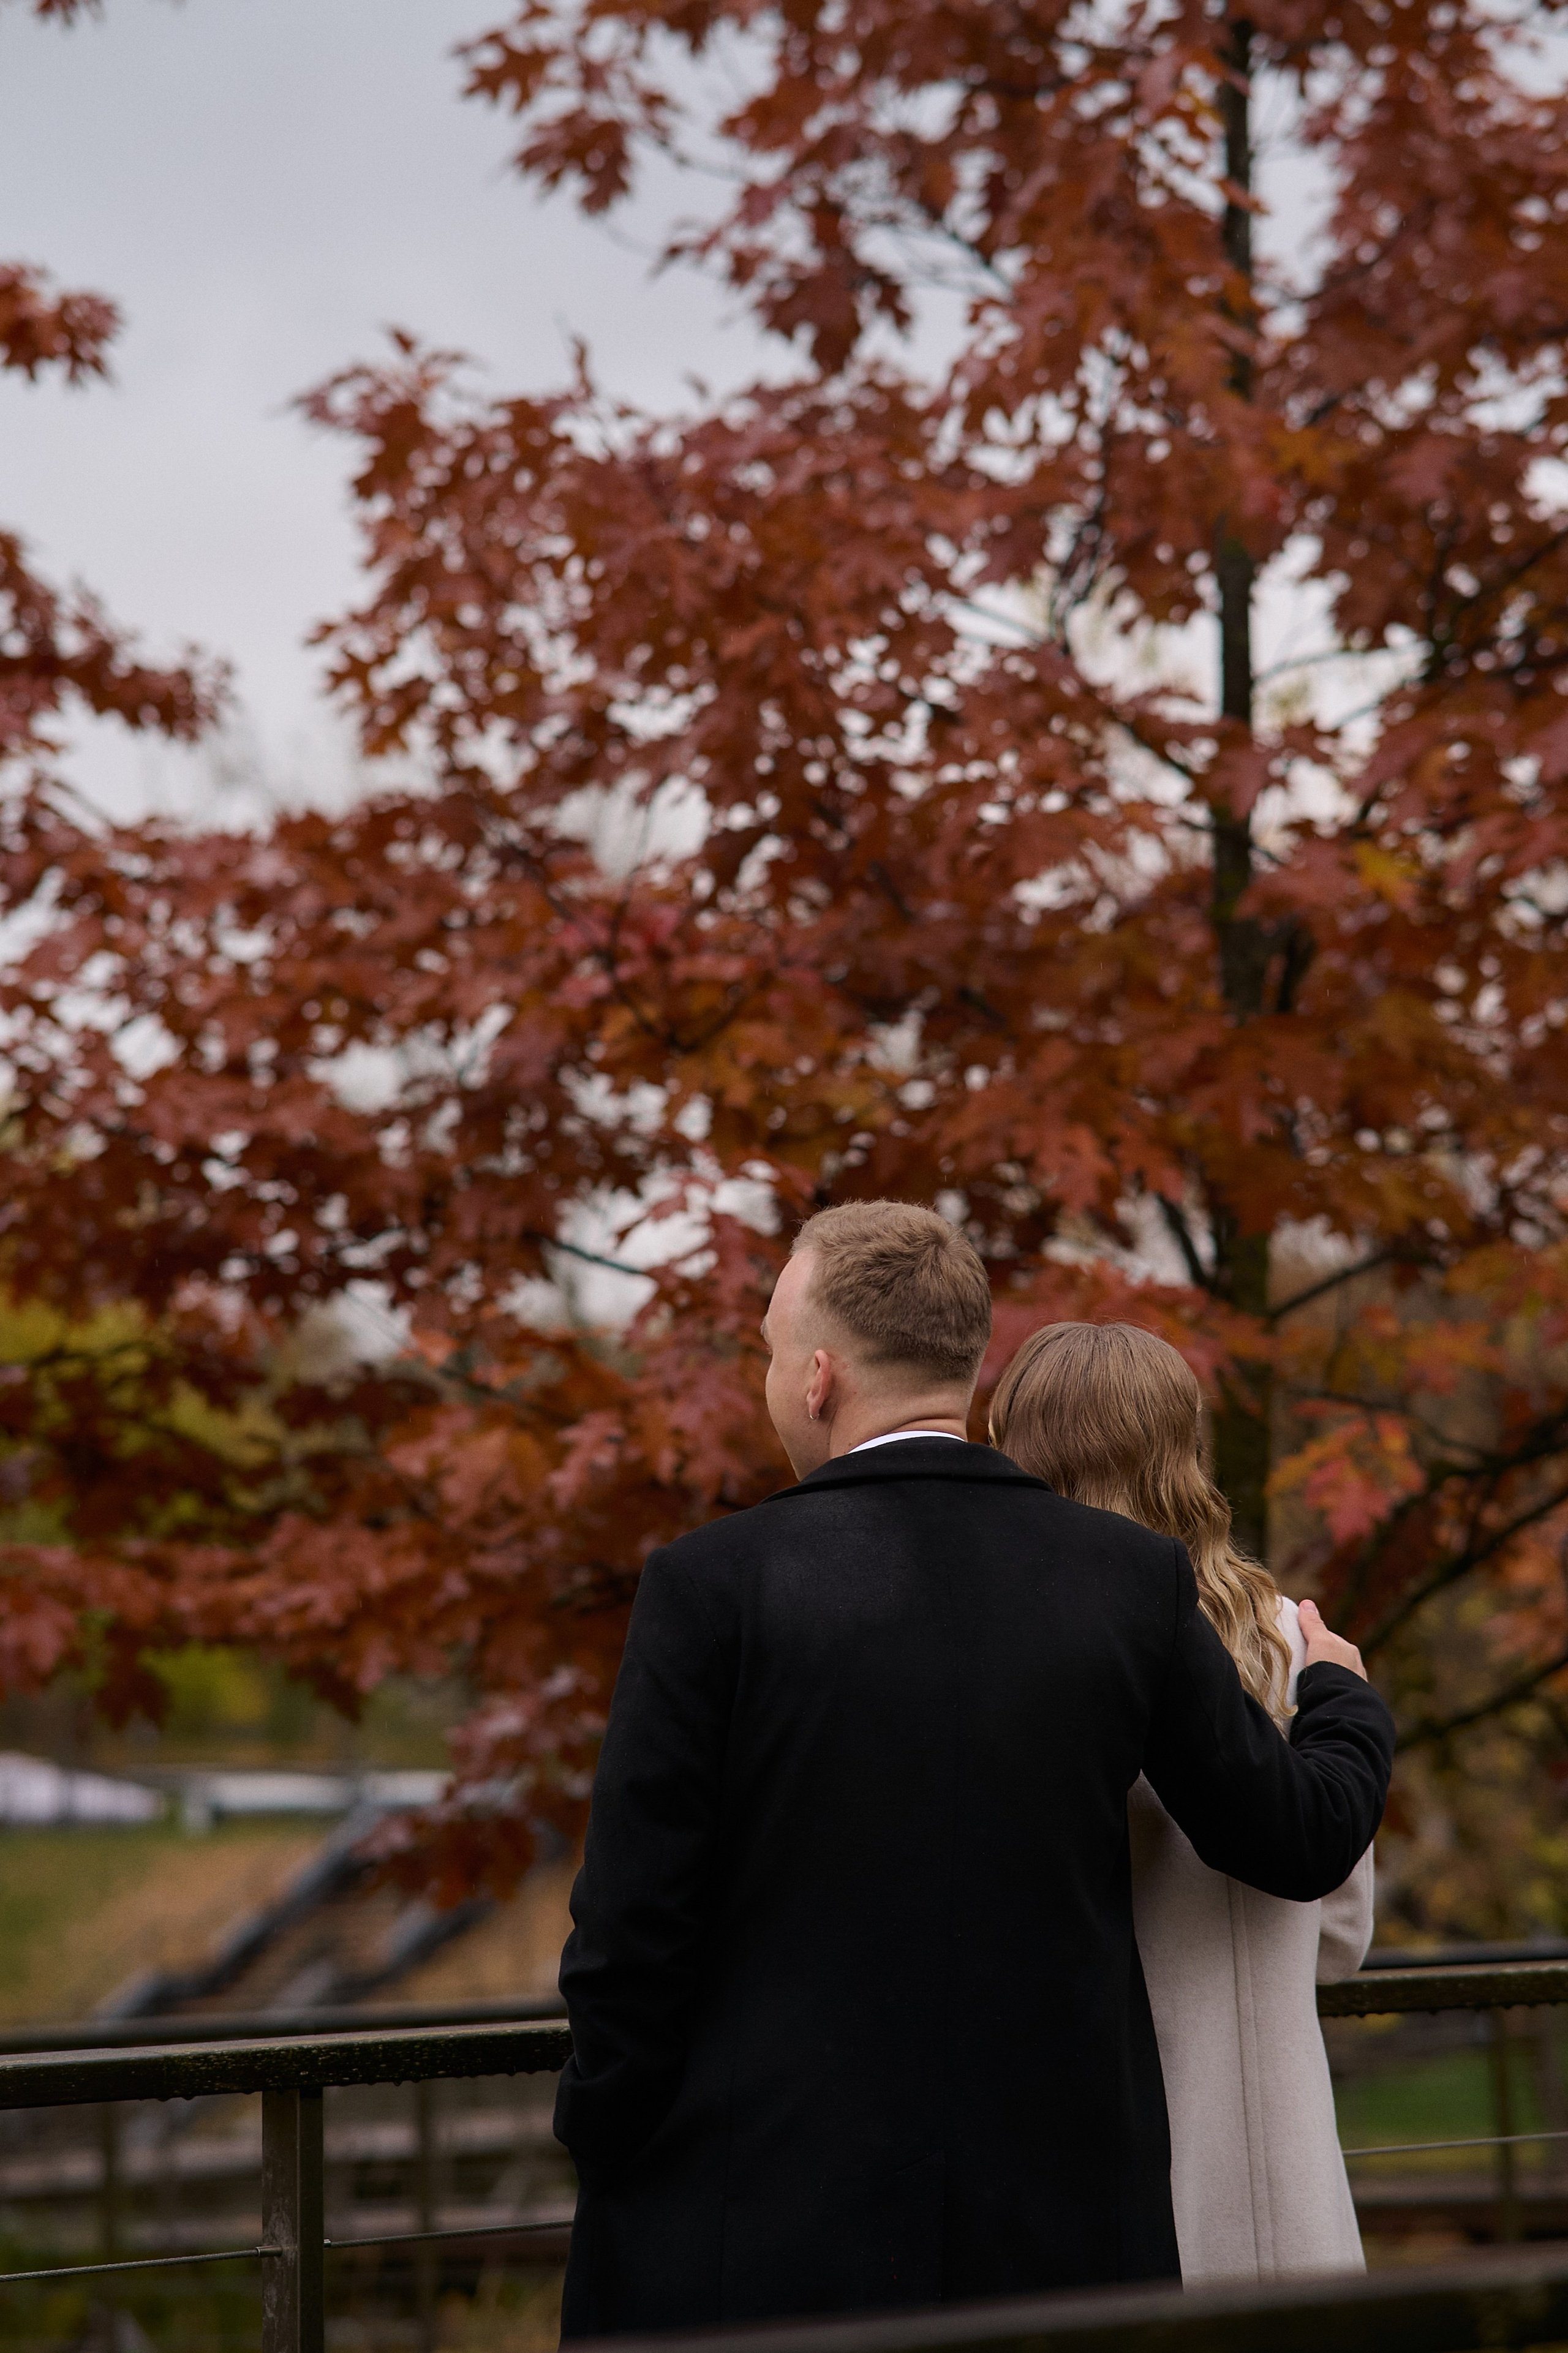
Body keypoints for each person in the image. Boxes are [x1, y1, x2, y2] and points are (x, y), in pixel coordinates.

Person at [552, 1202, 1394, 2337]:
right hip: (1066, 2238)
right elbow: (1294, 1838)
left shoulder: (712, 1587)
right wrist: (1340, 1696)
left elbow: (629, 1936)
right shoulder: (1127, 1578)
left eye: (764, 1353)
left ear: (816, 1379)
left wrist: (606, 2146)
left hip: (771, 2227)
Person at [989, 1320, 1373, 2282]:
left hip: (1126, 2152)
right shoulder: (1299, 1641)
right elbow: (1342, 1935)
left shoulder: (1036, 1657)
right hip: (1293, 2153)